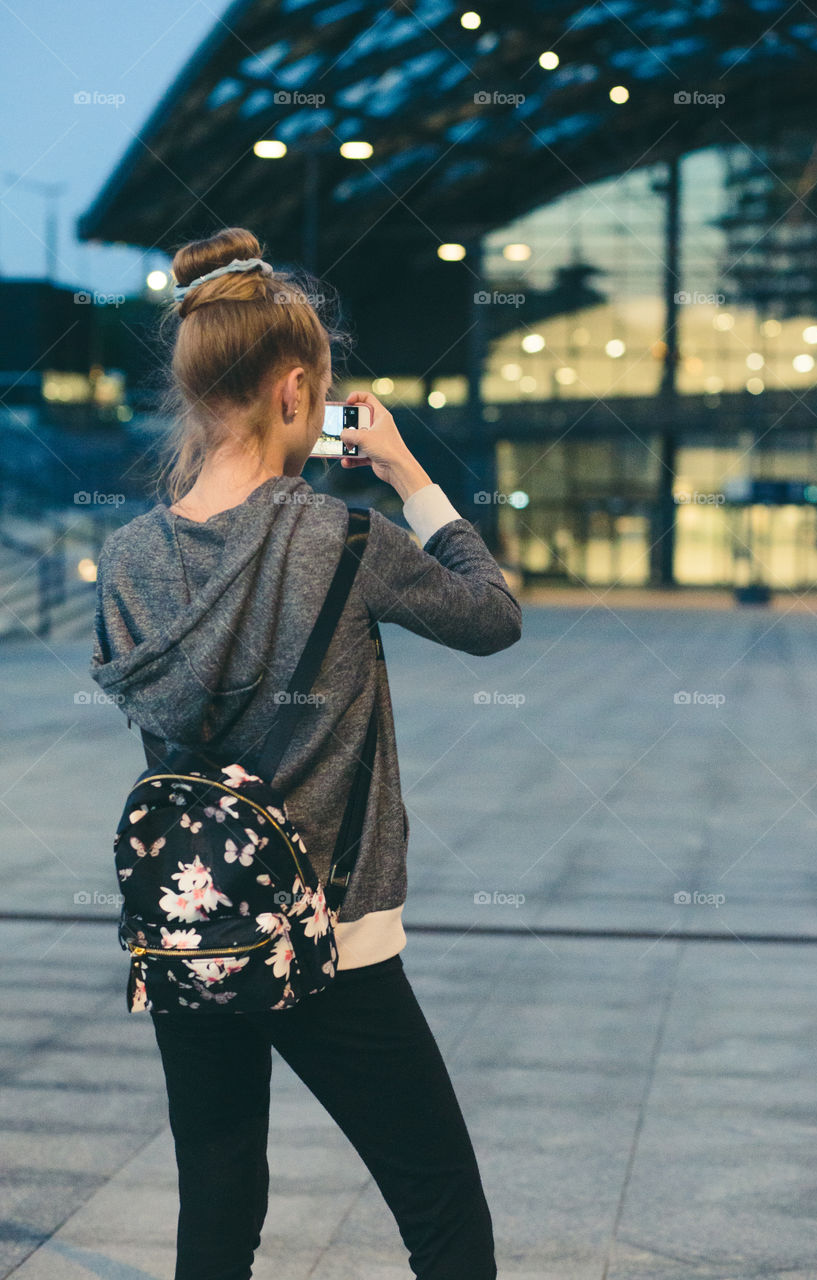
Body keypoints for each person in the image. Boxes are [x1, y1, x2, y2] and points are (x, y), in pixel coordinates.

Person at [90, 227, 522, 1280]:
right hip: (334, 931)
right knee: (444, 1213)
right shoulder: (343, 538)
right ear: (296, 390)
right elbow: (491, 615)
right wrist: (411, 474)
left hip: (193, 927)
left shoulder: (130, 557)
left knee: (219, 1208)